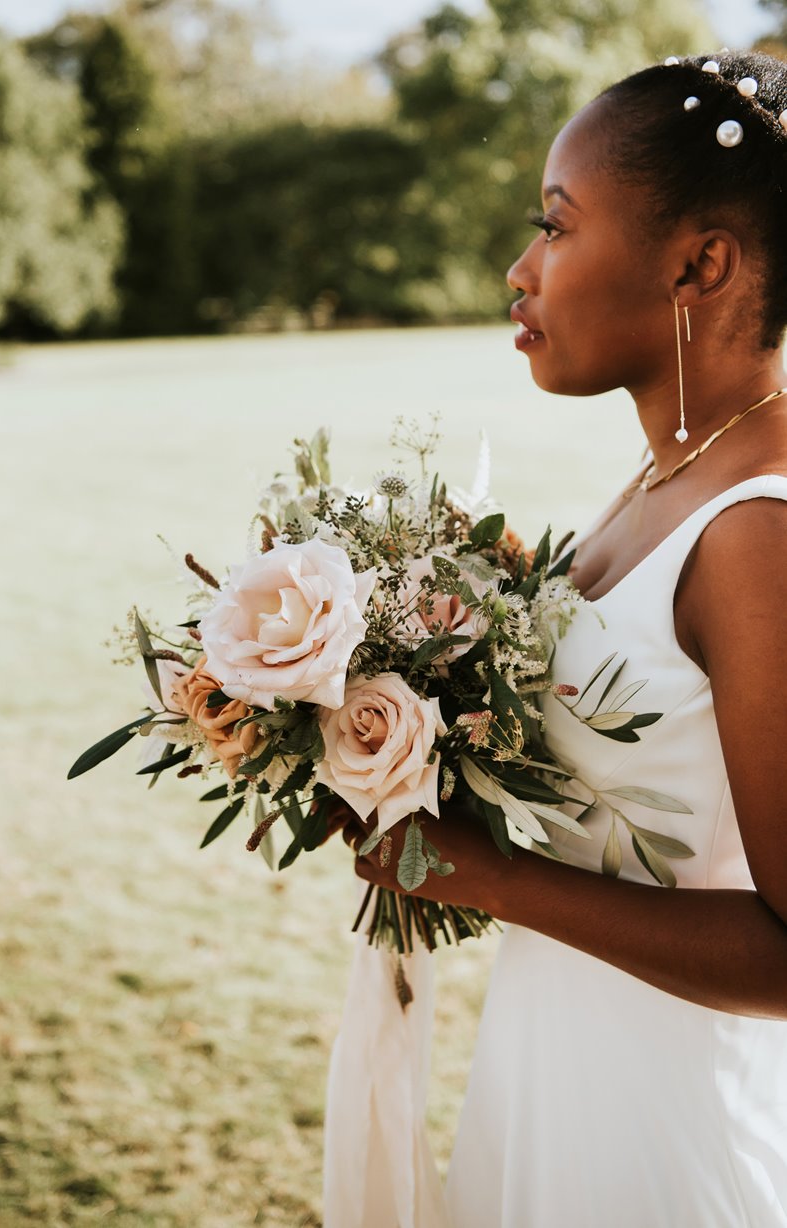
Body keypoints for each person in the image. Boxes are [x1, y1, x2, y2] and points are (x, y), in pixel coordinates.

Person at [350, 50, 787, 1228]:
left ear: (700, 263)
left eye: (555, 225)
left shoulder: (756, 534)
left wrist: (491, 877)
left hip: (670, 1139)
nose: (520, 268)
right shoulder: (660, 476)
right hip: (556, 1075)